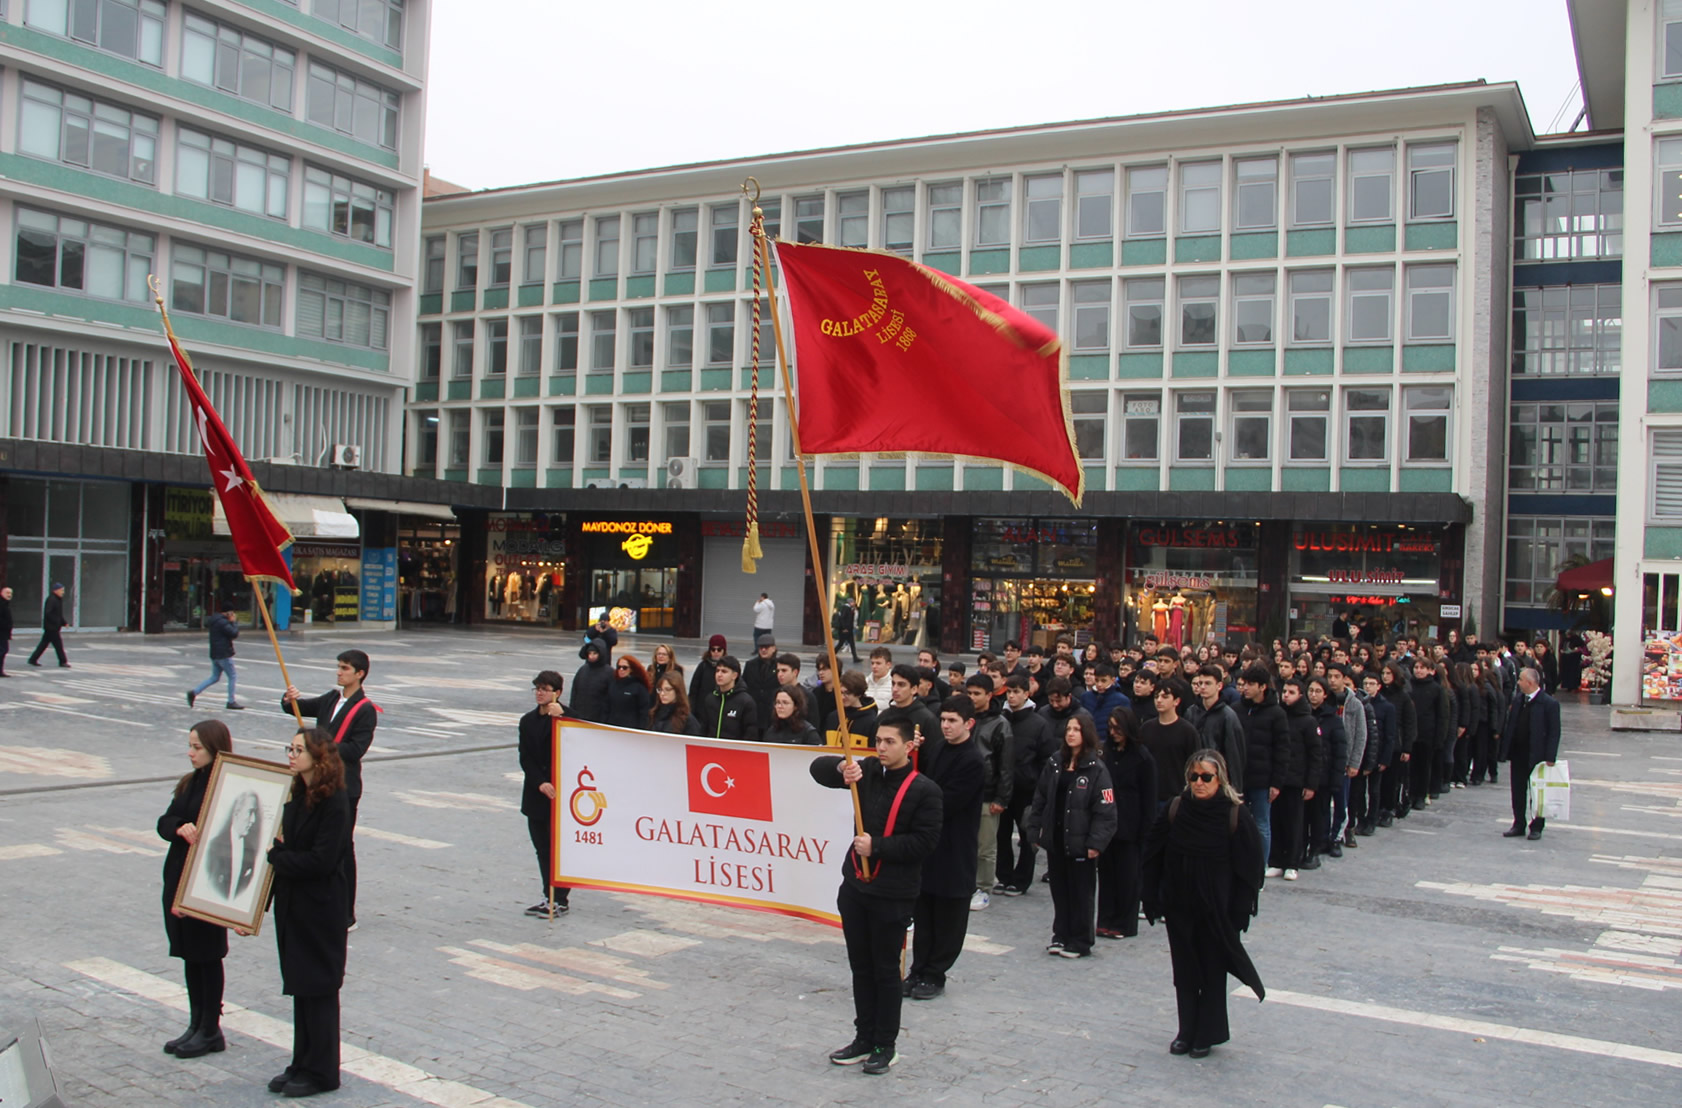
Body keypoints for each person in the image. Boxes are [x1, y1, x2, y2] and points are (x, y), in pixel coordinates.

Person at [812, 719, 943, 1076]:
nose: (881, 747)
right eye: (878, 741)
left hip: (893, 893)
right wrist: (841, 767)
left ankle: (886, 1044)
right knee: (860, 967)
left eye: (889, 741)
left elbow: (925, 842)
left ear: (907, 746)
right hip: (855, 888)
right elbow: (817, 769)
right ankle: (863, 1036)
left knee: (886, 971)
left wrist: (879, 846)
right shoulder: (867, 771)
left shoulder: (925, 790)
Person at [1142, 749, 1265, 1059]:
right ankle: (1186, 1030)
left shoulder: (1235, 814)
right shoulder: (1176, 809)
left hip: (1217, 908)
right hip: (1180, 904)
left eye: (1206, 777)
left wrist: (1240, 911)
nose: (1199, 782)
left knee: (1212, 969)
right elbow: (1153, 854)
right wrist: (1152, 896)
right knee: (1184, 969)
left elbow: (1250, 869)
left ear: (1219, 779)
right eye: (1194, 777)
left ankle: (1207, 1033)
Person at [266, 726, 352, 1098]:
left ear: (319, 758)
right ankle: (301, 1061)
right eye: (290, 747)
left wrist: (279, 857)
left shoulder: (335, 801)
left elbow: (321, 860)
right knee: (301, 987)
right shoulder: (298, 794)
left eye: (298, 749)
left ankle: (322, 1071)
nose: (291, 754)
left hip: (320, 908)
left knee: (318, 988)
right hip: (294, 906)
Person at [281, 649, 376, 931]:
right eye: (338, 667)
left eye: (345, 668)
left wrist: (320, 748)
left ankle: (346, 911)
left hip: (344, 787)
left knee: (342, 847)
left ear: (359, 674)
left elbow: (356, 749)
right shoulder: (331, 698)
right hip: (317, 784)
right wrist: (289, 700)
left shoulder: (365, 709)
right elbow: (298, 708)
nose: (339, 672)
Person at [156, 719, 233, 1059]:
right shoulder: (190, 783)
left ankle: (210, 1028)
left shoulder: (225, 785)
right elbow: (165, 821)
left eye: (197, 747)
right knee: (189, 953)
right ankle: (196, 1021)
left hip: (207, 880)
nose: (190, 753)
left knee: (207, 954)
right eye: (190, 746)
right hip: (179, 877)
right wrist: (178, 827)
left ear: (215, 749)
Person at [904, 697, 985, 1000]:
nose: (946, 726)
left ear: (969, 724)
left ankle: (935, 973)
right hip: (931, 846)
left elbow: (946, 800)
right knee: (925, 913)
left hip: (955, 847)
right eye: (944, 720)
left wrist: (920, 805)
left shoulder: (972, 760)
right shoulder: (938, 749)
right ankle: (918, 968)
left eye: (953, 721)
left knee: (949, 916)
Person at [1025, 713, 1117, 958]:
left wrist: (1096, 842)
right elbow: (1040, 798)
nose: (1071, 733)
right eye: (1068, 729)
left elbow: (1105, 810)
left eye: (1076, 729)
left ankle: (1080, 939)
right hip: (1056, 838)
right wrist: (1034, 829)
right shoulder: (1055, 762)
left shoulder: (1097, 769)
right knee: (1060, 891)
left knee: (1081, 893)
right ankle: (1061, 934)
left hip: (1081, 841)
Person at [1096, 707, 1155, 940]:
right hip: (1107, 825)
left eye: (1118, 728)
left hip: (1131, 827)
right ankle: (1105, 919)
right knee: (1107, 876)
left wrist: (1145, 832)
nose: (1114, 733)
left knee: (1128, 878)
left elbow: (1149, 799)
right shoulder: (1105, 754)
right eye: (1110, 728)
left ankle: (1124, 922)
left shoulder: (1143, 758)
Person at [518, 671, 570, 918]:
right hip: (536, 793)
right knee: (541, 848)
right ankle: (547, 894)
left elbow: (585, 735)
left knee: (558, 848)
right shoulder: (527, 721)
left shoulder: (566, 717)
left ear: (557, 693)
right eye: (537, 688)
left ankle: (560, 898)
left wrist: (565, 717)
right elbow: (525, 757)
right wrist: (539, 782)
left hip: (560, 794)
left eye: (545, 689)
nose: (540, 693)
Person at [996, 674, 1053, 896]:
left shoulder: (1039, 723)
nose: (1012, 696)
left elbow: (1046, 758)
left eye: (1017, 692)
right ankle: (1004, 875)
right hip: (1003, 787)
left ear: (1026, 694)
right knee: (1001, 835)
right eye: (1009, 692)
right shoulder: (1001, 718)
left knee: (1028, 835)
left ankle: (1022, 879)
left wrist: (1038, 786)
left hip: (1027, 789)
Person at [964, 675, 1014, 911]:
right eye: (970, 693)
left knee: (985, 846)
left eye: (977, 694)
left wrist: (1001, 798)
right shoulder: (964, 719)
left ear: (989, 695)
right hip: (965, 791)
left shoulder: (1000, 723)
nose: (973, 698)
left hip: (988, 792)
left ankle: (983, 887)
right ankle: (967, 883)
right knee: (965, 843)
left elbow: (1006, 764)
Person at [1235, 665, 1289, 866]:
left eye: (1250, 684)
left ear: (1262, 687)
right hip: (1239, 778)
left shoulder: (1276, 713)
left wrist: (1276, 782)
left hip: (1263, 779)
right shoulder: (1237, 709)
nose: (1245, 688)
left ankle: (1259, 867)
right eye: (1244, 684)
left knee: (1261, 825)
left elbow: (1282, 750)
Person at [1500, 668, 1562, 841]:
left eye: (1520, 680)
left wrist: (1550, 757)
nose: (1518, 683)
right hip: (1518, 753)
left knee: (1537, 793)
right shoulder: (1519, 700)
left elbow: (1554, 732)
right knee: (1517, 790)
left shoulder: (1549, 703)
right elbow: (1511, 725)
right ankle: (1518, 823)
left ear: (1530, 682)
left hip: (1538, 756)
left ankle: (1537, 825)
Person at [1139, 679, 1200, 812]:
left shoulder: (1187, 731)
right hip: (1150, 794)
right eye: (1156, 696)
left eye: (1165, 697)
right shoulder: (1146, 728)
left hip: (1177, 796)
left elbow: (1194, 765)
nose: (1159, 700)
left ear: (1176, 701)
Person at [1185, 665, 1246, 794]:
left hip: (1218, 780)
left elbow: (1235, 756)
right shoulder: (1191, 712)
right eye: (1200, 683)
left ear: (1219, 686)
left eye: (1207, 683)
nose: (1202, 687)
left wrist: (1234, 789)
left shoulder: (1228, 716)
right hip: (1194, 778)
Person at [187, 605, 245, 710]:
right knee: (232, 676)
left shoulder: (214, 620)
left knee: (214, 677)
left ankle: (194, 692)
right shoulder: (223, 622)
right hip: (224, 654)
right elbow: (233, 633)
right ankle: (231, 701)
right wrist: (233, 622)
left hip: (215, 653)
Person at [704, 655, 759, 740]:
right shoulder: (710, 699)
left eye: (724, 671)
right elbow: (704, 728)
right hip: (712, 749)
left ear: (734, 675)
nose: (719, 674)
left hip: (734, 751)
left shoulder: (746, 702)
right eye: (717, 671)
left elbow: (750, 733)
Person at [823, 670, 879, 745]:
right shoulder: (833, 717)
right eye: (841, 693)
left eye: (847, 693)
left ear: (858, 693)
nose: (842, 697)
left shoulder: (871, 722)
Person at [570, 639, 614, 723]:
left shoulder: (609, 672)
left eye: (594, 653)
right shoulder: (583, 670)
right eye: (589, 653)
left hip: (599, 718)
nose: (591, 656)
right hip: (580, 715)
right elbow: (575, 692)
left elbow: (611, 697)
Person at [27, 581, 69, 667]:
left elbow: (59, 614)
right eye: (61, 590)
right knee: (58, 645)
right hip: (51, 627)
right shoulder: (52, 599)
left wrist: (64, 623)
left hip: (52, 627)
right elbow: (48, 613)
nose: (63, 592)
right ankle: (62, 661)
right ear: (56, 590)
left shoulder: (57, 600)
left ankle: (33, 659)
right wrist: (57, 622)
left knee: (44, 644)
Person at [742, 639, 782, 726]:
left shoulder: (780, 666)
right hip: (753, 711)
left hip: (771, 712)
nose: (763, 650)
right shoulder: (750, 665)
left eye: (766, 647)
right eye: (761, 647)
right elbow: (743, 685)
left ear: (774, 648)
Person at [650, 671, 704, 736]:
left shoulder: (687, 720)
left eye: (667, 689)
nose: (662, 694)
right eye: (660, 689)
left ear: (677, 691)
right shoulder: (654, 714)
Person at [607, 655, 653, 730]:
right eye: (619, 667)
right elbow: (607, 707)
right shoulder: (613, 685)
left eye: (624, 667)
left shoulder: (639, 688)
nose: (621, 669)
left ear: (631, 669)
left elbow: (644, 713)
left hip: (630, 729)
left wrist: (641, 730)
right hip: (612, 727)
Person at [832, 594, 860, 663]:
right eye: (853, 602)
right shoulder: (845, 608)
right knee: (840, 643)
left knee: (851, 644)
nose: (854, 603)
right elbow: (842, 619)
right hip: (844, 630)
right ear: (850, 602)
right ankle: (831, 655)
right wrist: (844, 628)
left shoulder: (850, 609)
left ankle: (855, 657)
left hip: (848, 630)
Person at [0, 584, 14, 676]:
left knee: (3, 650)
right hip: (1, 632)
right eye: (7, 593)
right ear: (1, 593)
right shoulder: (2, 604)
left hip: (4, 633)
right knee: (2, 650)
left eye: (10, 593)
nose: (9, 595)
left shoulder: (5, 604)